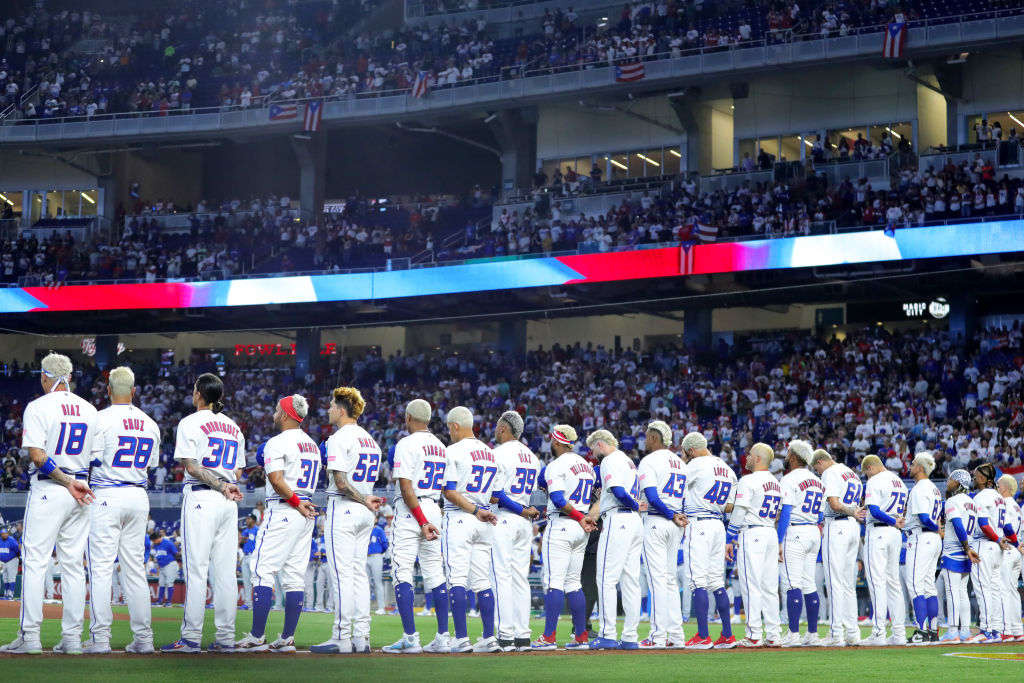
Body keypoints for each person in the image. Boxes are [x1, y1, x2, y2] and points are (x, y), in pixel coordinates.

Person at [2, 352, 96, 655]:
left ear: (45, 376)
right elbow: (96, 457)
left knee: (35, 564)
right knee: (72, 567)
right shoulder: (89, 409)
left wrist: (67, 482)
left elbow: (38, 458)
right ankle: (71, 639)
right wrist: (77, 482)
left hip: (52, 487)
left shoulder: (38, 406)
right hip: (82, 488)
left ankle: (30, 637)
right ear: (68, 377)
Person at [161, 373, 245, 653]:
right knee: (225, 575)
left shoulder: (189, 422)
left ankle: (191, 638)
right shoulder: (234, 427)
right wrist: (224, 484)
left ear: (199, 394)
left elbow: (192, 467)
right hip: (228, 501)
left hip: (202, 496)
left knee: (197, 571)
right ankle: (225, 638)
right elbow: (239, 472)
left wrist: (218, 484)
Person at [85, 366, 161, 654]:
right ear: (133, 390)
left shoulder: (99, 419)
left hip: (107, 494)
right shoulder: (150, 423)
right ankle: (144, 639)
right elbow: (151, 464)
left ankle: (100, 639)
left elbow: (90, 461)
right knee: (135, 571)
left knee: (102, 570)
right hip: (138, 496)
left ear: (108, 390)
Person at [236, 395, 320, 653]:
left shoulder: (277, 441)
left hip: (287, 506)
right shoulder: (312, 445)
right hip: (306, 511)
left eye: (275, 411)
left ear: (285, 414)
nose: (273, 415)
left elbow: (275, 478)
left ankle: (257, 636)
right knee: (294, 578)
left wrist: (294, 500)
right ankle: (286, 638)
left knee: (261, 569)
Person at [311, 387, 383, 654]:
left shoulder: (339, 438)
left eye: (331, 405)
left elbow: (340, 482)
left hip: (346, 507)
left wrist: (362, 499)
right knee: (358, 575)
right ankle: (361, 636)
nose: (328, 409)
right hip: (366, 510)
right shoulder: (370, 440)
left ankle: (341, 636)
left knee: (341, 574)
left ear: (342, 410)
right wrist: (365, 500)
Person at [382, 399, 451, 655]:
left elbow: (406, 487)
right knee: (436, 573)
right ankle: (443, 637)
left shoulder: (406, 443)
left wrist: (422, 522)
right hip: (435, 505)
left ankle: (411, 638)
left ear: (409, 417)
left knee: (402, 572)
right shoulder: (441, 446)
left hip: (413, 512)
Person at [440, 405, 500, 653]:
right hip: (485, 518)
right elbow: (496, 496)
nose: (449, 433)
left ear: (455, 426)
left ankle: (461, 638)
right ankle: (488, 637)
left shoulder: (453, 450)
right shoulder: (490, 453)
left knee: (456, 578)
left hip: (462, 517)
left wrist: (474, 509)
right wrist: (480, 508)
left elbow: (450, 490)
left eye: (448, 428)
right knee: (482, 580)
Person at [532, 424, 597, 650]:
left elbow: (558, 499)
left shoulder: (556, 464)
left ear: (557, 442)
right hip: (581, 527)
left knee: (554, 583)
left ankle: (548, 637)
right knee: (573, 583)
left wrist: (579, 517)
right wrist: (582, 517)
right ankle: (581, 636)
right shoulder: (586, 466)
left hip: (564, 523)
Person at [587, 429, 644, 650]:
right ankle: (630, 637)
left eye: (593, 449)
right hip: (635, 523)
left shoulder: (610, 459)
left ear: (600, 444)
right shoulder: (628, 461)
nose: (593, 455)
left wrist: (632, 504)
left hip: (618, 519)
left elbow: (619, 492)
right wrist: (635, 506)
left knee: (605, 578)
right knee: (630, 581)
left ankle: (607, 633)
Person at [488, 410, 541, 652]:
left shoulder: (497, 453)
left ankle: (504, 634)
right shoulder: (532, 457)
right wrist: (524, 510)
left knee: (500, 576)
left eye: (498, 426)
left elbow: (496, 495)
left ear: (503, 428)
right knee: (520, 578)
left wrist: (520, 510)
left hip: (506, 518)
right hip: (524, 522)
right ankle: (523, 635)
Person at [682, 432, 738, 650]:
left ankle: (703, 636)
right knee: (716, 581)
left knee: (697, 581)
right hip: (718, 524)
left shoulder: (696, 465)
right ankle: (726, 635)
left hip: (700, 523)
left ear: (692, 450)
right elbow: (729, 506)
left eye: (687, 454)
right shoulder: (728, 469)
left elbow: (678, 488)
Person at [726, 443, 783, 647]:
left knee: (751, 585)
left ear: (758, 458)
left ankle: (754, 634)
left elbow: (739, 512)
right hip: (770, 532)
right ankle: (774, 634)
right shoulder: (776, 483)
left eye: (750, 455)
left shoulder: (748, 480)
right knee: (769, 587)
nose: (746, 458)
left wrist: (728, 538)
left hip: (753, 532)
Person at [636, 420, 687, 649]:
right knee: (669, 581)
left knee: (657, 580)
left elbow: (653, 497)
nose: (645, 440)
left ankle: (657, 636)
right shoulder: (680, 462)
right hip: (674, 523)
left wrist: (670, 515)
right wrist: (676, 516)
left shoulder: (649, 460)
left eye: (647, 436)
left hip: (658, 520)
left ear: (655, 438)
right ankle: (676, 636)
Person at [811, 448, 865, 647]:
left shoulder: (829, 472)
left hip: (838, 525)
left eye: (817, 469)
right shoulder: (852, 474)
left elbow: (834, 503)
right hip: (853, 527)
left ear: (820, 463)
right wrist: (852, 511)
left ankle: (836, 633)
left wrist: (849, 510)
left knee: (834, 581)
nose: (818, 473)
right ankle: (852, 632)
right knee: (848, 583)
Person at [776, 440, 824, 647]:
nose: (786, 456)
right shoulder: (818, 480)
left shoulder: (789, 479)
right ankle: (812, 634)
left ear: (794, 457)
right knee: (809, 583)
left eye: (788, 453)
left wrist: (778, 540)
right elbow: (821, 512)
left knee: (792, 584)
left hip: (795, 530)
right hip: (813, 530)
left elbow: (786, 511)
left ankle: (793, 633)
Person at [858, 454, 908, 647]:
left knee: (877, 582)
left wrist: (892, 520)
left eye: (866, 473)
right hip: (895, 534)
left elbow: (876, 510)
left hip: (879, 532)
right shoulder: (899, 482)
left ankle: (878, 633)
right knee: (893, 583)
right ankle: (899, 633)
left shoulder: (875, 480)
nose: (867, 476)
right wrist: (896, 521)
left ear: (870, 468)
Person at [967, 463, 1011, 643]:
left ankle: (985, 630)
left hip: (985, 545)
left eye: (976, 476)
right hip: (997, 547)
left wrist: (996, 538)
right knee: (993, 589)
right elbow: (1007, 527)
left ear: (984, 479)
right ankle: (994, 629)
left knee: (983, 589)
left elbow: (984, 524)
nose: (974, 479)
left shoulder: (981, 497)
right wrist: (1012, 542)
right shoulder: (1000, 498)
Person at [903, 453, 942, 645]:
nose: (910, 466)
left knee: (914, 584)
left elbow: (925, 518)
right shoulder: (934, 488)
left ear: (919, 467)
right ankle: (933, 631)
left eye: (912, 464)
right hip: (932, 540)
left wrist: (937, 528)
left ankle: (920, 631)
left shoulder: (919, 488)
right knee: (928, 585)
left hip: (922, 536)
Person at [996, 474, 1024, 642]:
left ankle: (1005, 629)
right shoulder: (1017, 506)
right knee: (1012, 590)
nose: (997, 489)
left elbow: (1006, 526)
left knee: (1003, 589)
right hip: (1016, 552)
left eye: (999, 486)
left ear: (1005, 488)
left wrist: (1013, 542)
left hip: (1008, 548)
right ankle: (1017, 628)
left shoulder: (1004, 503)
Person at [367, 517, 389, 615]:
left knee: (377, 582)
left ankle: (381, 607)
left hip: (376, 556)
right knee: (364, 584)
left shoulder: (379, 530)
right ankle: (365, 608)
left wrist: (379, 553)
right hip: (365, 557)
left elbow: (385, 544)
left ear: (375, 519)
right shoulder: (364, 530)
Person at [152, 530, 179, 607]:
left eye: (154, 540)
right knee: (161, 583)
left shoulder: (168, 543)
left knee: (169, 582)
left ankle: (169, 602)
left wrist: (171, 560)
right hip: (162, 566)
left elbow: (176, 553)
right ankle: (160, 601)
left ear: (158, 538)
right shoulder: (156, 545)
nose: (153, 542)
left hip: (170, 565)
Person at [239, 515, 259, 609]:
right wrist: (242, 541)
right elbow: (241, 545)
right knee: (246, 581)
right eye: (246, 519)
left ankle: (258, 602)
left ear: (254, 521)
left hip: (253, 556)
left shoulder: (257, 529)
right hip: (245, 556)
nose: (247, 520)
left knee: (255, 580)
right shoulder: (245, 531)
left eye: (249, 519)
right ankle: (248, 603)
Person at [0, 527, 19, 599]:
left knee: (11, 578)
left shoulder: (12, 540)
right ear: (1, 535)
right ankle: (6, 593)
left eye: (6, 533)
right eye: (3, 534)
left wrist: (18, 558)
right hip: (3, 562)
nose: (5, 535)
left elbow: (17, 550)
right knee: (5, 578)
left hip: (12, 560)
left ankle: (11, 594)